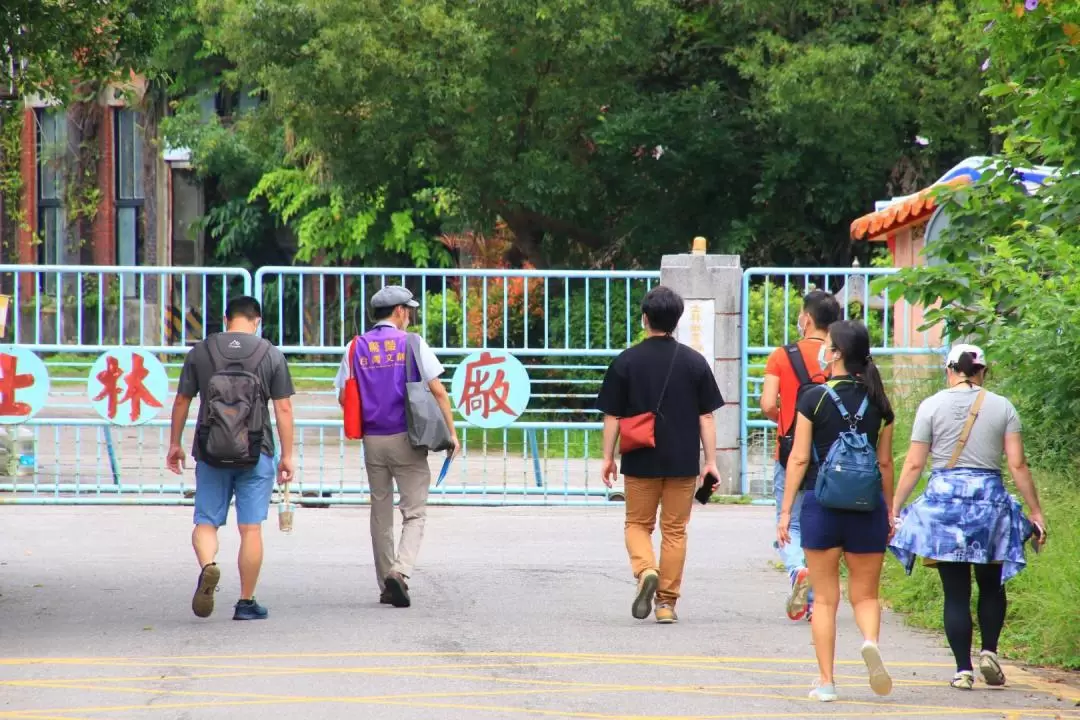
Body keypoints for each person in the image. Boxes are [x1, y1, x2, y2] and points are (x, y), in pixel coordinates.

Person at [889, 344, 1045, 690]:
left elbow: (915, 464)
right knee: (991, 584)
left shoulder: (930, 406)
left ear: (949, 370)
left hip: (945, 506)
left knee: (955, 592)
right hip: (989, 504)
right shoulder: (1002, 406)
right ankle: (989, 650)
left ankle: (963, 670)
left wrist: (895, 507)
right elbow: (1017, 464)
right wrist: (1035, 511)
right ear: (982, 372)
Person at [777, 320, 895, 702]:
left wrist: (785, 513)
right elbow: (886, 463)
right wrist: (890, 511)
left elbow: (798, 458)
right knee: (866, 596)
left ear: (839, 353)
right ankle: (869, 641)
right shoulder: (880, 401)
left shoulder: (813, 397)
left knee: (826, 599)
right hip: (867, 507)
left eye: (827, 344)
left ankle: (826, 681)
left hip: (821, 503)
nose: (822, 349)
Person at [597, 285, 725, 625]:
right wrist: (710, 462)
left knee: (637, 524)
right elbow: (707, 416)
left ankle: (645, 570)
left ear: (644, 318)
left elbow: (612, 416)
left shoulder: (626, 361)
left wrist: (608, 457)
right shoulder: (694, 362)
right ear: (677, 320)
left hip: (640, 459)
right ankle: (666, 604)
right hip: (683, 461)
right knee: (675, 530)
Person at [167, 296, 296, 621]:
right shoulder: (270, 354)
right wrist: (288, 456)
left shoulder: (202, 351)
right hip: (256, 451)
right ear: (257, 320)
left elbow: (182, 400)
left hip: (211, 451)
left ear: (226, 318)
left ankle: (209, 566)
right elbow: (283, 408)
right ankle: (246, 602)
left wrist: (175, 444)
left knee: (205, 522)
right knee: (250, 529)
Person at [335, 285, 459, 609]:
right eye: (409, 311)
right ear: (400, 312)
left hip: (372, 441)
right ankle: (400, 572)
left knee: (380, 512)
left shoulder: (354, 347)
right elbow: (438, 391)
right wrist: (451, 433)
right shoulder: (412, 343)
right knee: (414, 512)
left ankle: (385, 583)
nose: (410, 317)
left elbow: (343, 398)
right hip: (407, 437)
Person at [760, 290, 840, 622]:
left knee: (789, 521)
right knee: (821, 523)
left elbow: (767, 404)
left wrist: (786, 419)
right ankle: (816, 595)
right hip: (836, 453)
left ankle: (797, 571)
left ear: (806, 319)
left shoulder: (782, 355)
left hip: (791, 449)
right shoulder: (840, 356)